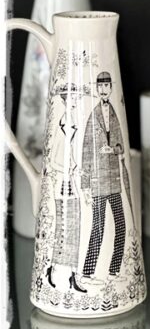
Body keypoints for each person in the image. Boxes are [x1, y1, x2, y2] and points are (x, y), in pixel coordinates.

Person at [81, 71, 126, 280]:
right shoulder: (93, 115)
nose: (104, 89)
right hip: (98, 181)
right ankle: (88, 272)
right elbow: (86, 151)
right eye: (100, 86)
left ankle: (114, 270)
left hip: (114, 180)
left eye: (107, 86)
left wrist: (113, 149)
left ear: (111, 87)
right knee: (98, 228)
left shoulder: (115, 113)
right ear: (97, 89)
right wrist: (85, 185)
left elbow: (121, 145)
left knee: (121, 226)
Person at [45, 83, 86, 293]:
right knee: (64, 226)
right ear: (65, 100)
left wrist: (76, 168)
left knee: (73, 227)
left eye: (76, 98)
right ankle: (54, 270)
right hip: (63, 184)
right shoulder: (62, 127)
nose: (75, 101)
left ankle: (71, 274)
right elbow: (54, 160)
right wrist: (69, 170)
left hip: (71, 183)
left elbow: (71, 156)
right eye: (72, 98)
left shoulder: (72, 124)